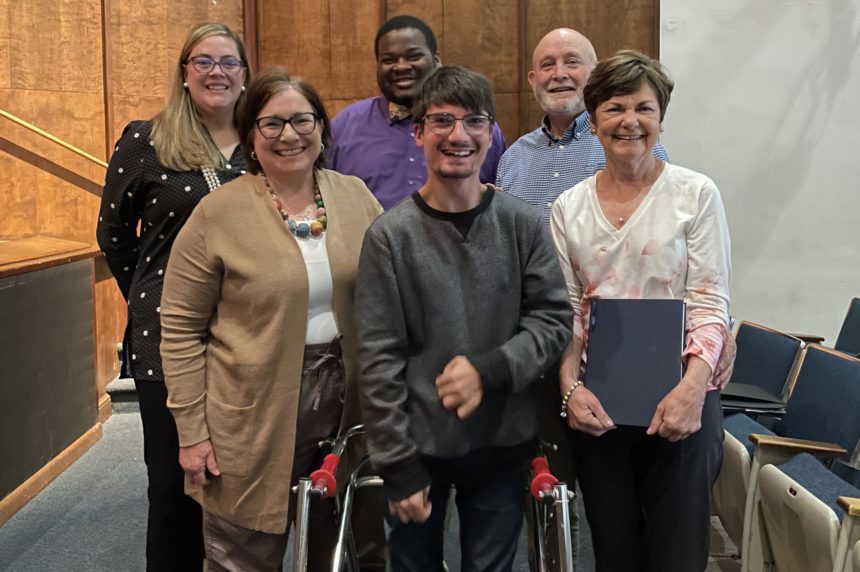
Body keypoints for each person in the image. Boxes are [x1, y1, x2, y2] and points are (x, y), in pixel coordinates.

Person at [498, 30, 736, 570]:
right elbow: (568, 309)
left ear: (660, 116)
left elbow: (708, 299)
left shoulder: (695, 194)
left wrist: (693, 388)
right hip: (599, 405)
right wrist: (569, 388)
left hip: (683, 396)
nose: (630, 120)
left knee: (677, 552)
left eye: (643, 107)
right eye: (615, 107)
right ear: (596, 117)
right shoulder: (568, 207)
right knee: (614, 549)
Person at [159, 68, 382, 571]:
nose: (289, 135)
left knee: (340, 539)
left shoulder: (355, 195)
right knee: (245, 547)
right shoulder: (217, 213)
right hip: (251, 407)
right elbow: (178, 329)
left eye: (302, 120)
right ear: (249, 138)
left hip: (348, 399)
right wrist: (192, 432)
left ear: (322, 129)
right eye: (271, 124)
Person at [356, 65, 573, 571]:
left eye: (474, 121)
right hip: (418, 446)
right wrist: (397, 463)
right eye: (441, 121)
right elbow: (378, 359)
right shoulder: (389, 237)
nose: (458, 136)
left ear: (491, 133)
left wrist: (488, 370)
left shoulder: (521, 224)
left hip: (502, 442)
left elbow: (552, 321)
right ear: (419, 133)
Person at [96, 23, 251, 571]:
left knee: (239, 482)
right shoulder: (148, 139)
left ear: (244, 74)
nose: (217, 72)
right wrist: (149, 296)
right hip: (166, 337)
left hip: (248, 336)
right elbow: (113, 236)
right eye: (203, 62)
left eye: (229, 62)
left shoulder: (265, 141)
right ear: (184, 74)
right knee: (172, 485)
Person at [327, 14, 507, 210]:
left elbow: (498, 199)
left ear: (436, 59)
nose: (401, 66)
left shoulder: (477, 127)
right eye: (389, 60)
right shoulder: (344, 126)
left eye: (414, 56)